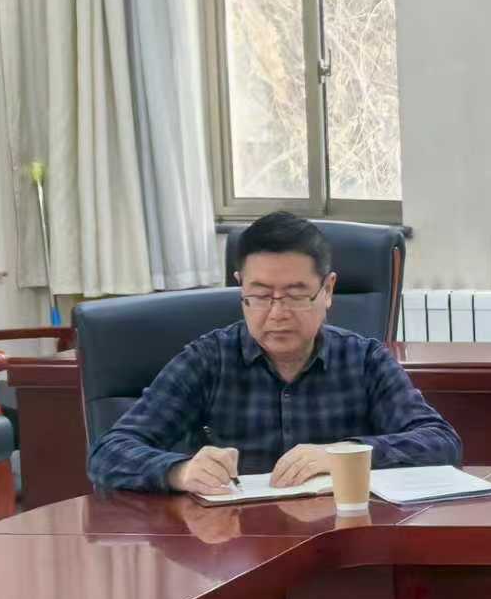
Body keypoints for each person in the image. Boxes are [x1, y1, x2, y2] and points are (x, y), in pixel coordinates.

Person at [90, 211, 462, 495]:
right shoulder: (208, 360)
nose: (277, 313)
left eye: (296, 295)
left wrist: (342, 454)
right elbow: (108, 452)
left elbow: (441, 443)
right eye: (261, 295)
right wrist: (180, 470)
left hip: (336, 541)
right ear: (240, 288)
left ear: (328, 290)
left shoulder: (364, 360)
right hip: (232, 546)